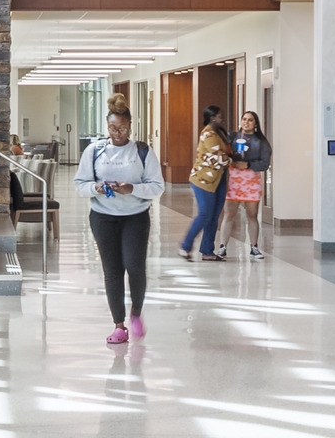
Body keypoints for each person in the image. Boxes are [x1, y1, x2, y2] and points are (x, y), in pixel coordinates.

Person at [76, 96, 165, 344]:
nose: (117, 133)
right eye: (113, 128)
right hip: (103, 218)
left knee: (135, 267)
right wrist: (96, 187)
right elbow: (80, 184)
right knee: (112, 271)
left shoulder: (142, 151)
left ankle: (136, 312)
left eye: (122, 129)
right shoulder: (95, 151)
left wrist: (132, 189)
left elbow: (157, 187)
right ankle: (119, 325)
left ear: (130, 127)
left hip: (135, 218)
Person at [179, 105, 232, 262]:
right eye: (220, 116)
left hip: (218, 180)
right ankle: (185, 246)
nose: (223, 118)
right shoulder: (208, 134)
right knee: (205, 214)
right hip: (203, 180)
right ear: (212, 118)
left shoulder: (219, 132)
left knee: (214, 216)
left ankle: (207, 251)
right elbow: (219, 157)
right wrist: (233, 160)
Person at [225, 109, 272, 259]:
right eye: (244, 119)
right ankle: (222, 247)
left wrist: (249, 165)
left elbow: (265, 164)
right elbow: (222, 152)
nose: (246, 122)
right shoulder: (232, 138)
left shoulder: (261, 142)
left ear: (255, 124)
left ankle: (254, 247)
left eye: (250, 120)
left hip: (251, 182)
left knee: (252, 215)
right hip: (233, 181)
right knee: (229, 214)